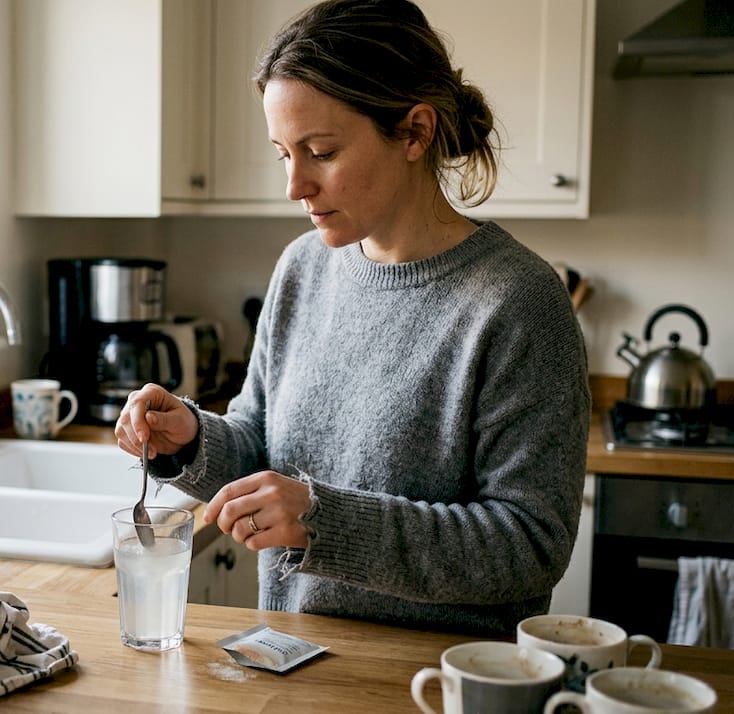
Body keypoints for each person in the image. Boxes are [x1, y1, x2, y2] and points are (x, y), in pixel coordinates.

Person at [114, 0, 589, 636]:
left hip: (441, 680)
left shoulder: (518, 301)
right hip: (290, 659)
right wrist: (194, 442)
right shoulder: (302, 268)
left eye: (320, 151)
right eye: (284, 153)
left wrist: (322, 521)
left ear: (415, 133)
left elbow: (531, 545)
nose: (295, 185)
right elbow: (261, 444)